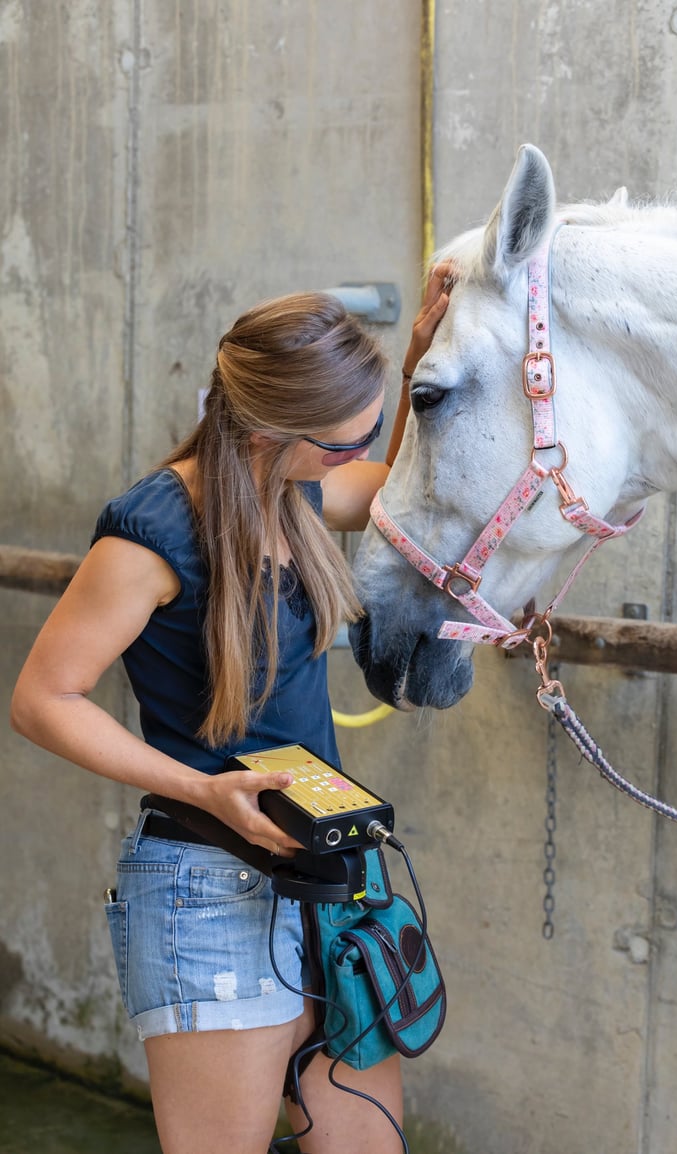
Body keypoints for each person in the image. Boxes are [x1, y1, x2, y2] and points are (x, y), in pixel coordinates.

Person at [10, 266, 451, 1154]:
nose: (353, 458)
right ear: (269, 431)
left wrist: (413, 370)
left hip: (330, 873)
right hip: (209, 887)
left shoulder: (295, 492)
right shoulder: (152, 532)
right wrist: (205, 791)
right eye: (340, 443)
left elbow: (399, 482)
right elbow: (41, 700)